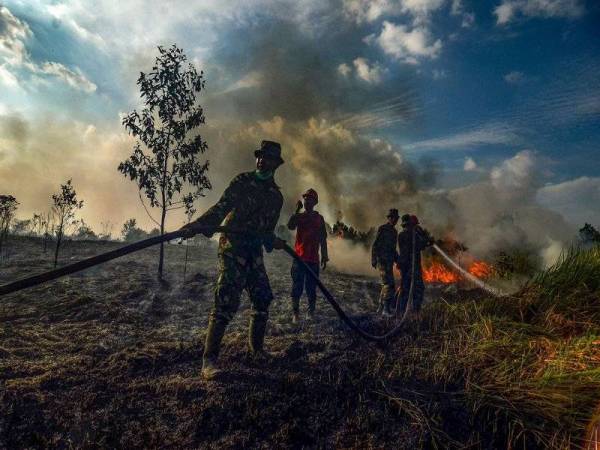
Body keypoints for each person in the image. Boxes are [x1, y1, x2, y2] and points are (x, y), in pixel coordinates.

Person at [180, 140, 285, 380]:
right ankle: (209, 361)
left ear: (275, 164)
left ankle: (256, 351)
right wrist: (197, 225)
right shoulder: (242, 182)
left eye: (267, 158)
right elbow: (221, 207)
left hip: (253, 251)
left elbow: (266, 231)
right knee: (226, 298)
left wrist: (274, 241)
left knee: (262, 297)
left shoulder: (275, 197)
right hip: (232, 247)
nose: (261, 160)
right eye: (259, 156)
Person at [287, 188, 328, 323]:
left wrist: (325, 256)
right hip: (299, 258)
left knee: (311, 288)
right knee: (297, 287)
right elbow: (290, 226)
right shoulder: (300, 216)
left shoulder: (319, 219)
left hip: (313, 260)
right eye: (305, 199)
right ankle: (296, 314)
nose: (307, 201)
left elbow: (323, 239)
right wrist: (296, 211)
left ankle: (311, 313)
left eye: (310, 199)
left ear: (315, 202)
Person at [396, 214, 434, 315]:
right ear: (410, 225)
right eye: (414, 225)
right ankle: (415, 312)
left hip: (405, 267)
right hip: (412, 267)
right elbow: (422, 244)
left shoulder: (401, 235)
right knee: (418, 289)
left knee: (405, 290)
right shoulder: (411, 236)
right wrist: (427, 238)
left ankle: (401, 312)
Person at [371, 209, 400, 316]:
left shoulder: (394, 232)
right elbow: (375, 245)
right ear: (389, 218)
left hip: (389, 261)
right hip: (382, 260)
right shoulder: (383, 229)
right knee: (389, 284)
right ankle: (385, 310)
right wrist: (373, 259)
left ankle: (381, 307)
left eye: (396, 218)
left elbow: (393, 249)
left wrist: (398, 260)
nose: (395, 220)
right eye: (393, 218)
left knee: (385, 284)